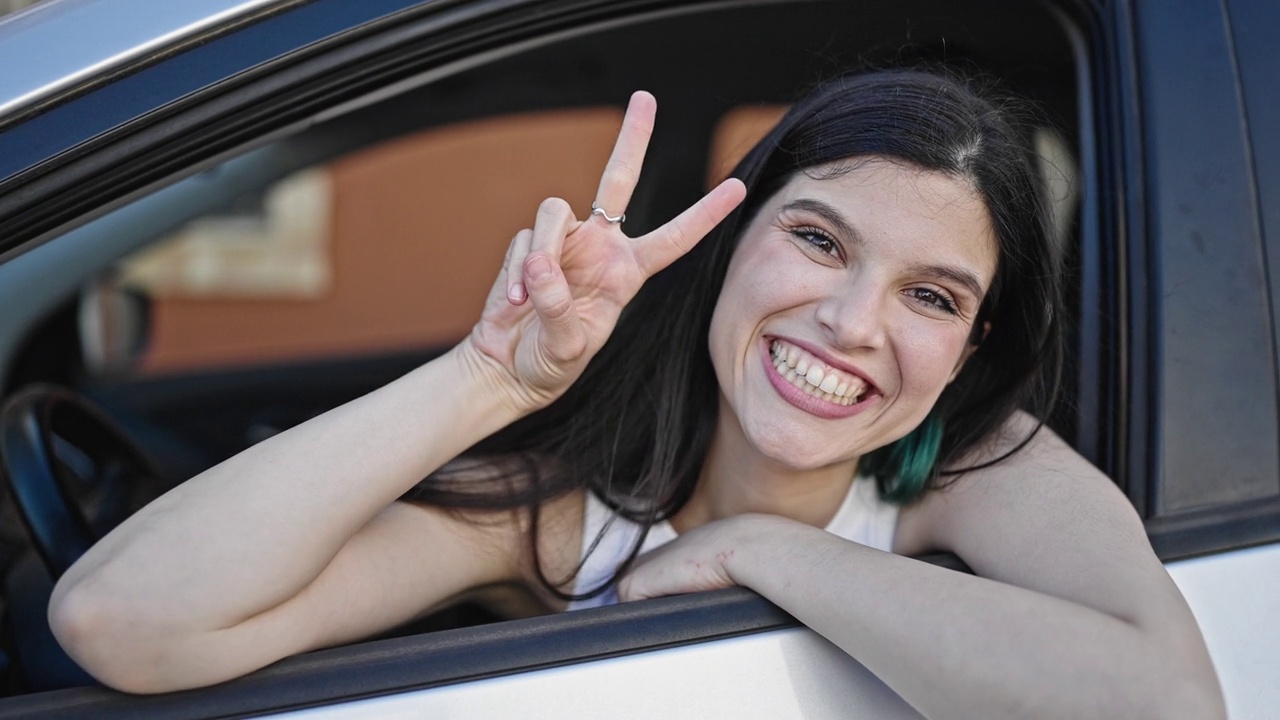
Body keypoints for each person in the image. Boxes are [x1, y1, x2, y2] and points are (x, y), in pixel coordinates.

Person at [48, 69, 1225, 719]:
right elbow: (123, 624)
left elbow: (1165, 708)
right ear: (729, 245)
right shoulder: (562, 518)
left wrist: (767, 551)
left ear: (969, 351)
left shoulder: (973, 465)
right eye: (817, 241)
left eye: (930, 298)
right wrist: (482, 379)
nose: (853, 323)